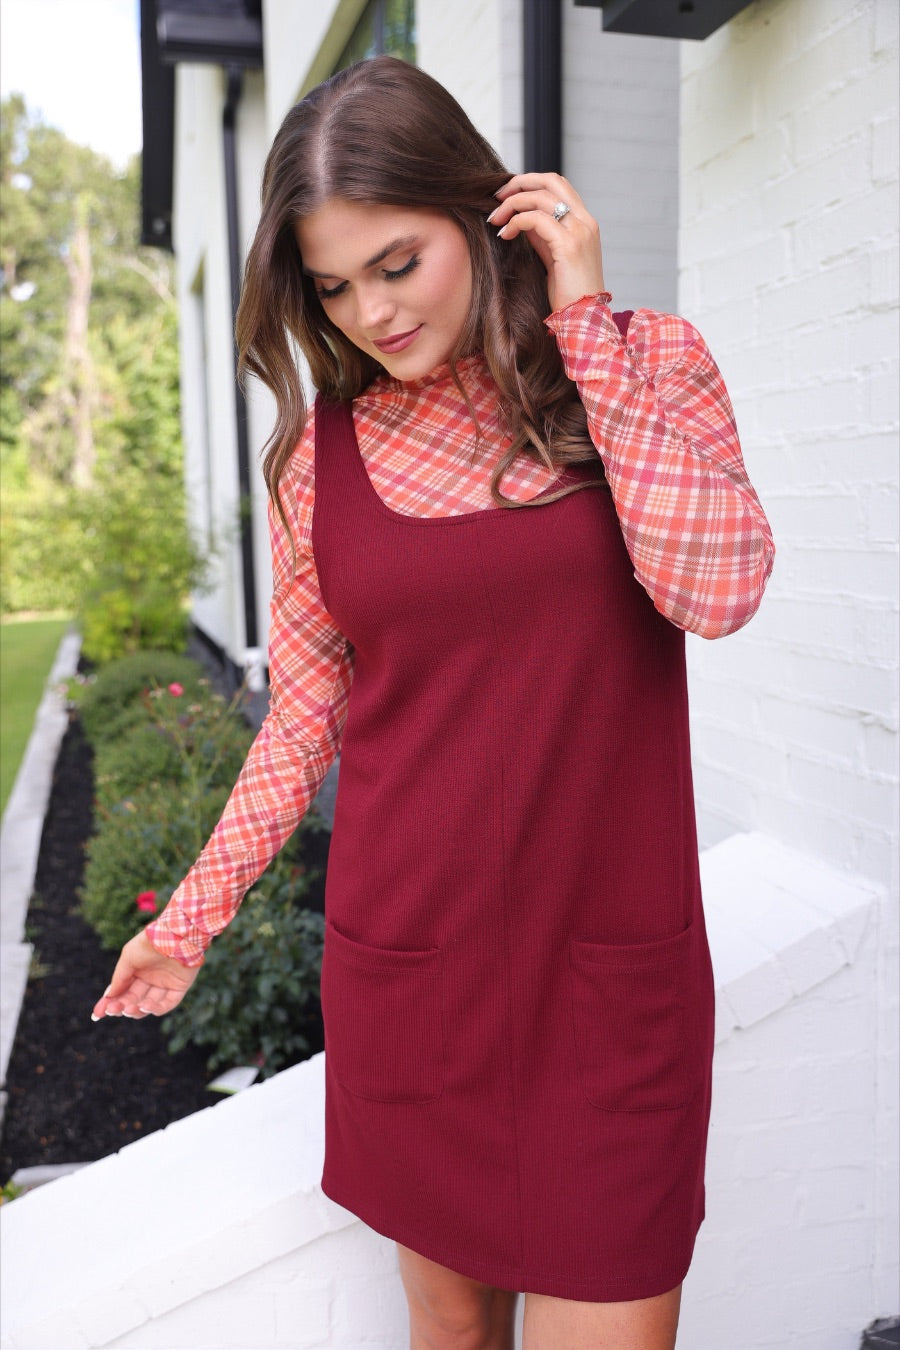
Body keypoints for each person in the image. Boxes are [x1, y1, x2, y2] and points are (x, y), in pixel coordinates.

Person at [92, 55, 774, 1350]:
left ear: (478, 207)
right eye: (335, 286)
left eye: (397, 263)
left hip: (610, 986)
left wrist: (586, 315)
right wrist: (194, 916)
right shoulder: (317, 464)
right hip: (415, 979)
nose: (371, 314)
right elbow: (302, 716)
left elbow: (719, 585)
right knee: (450, 1335)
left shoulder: (642, 369)